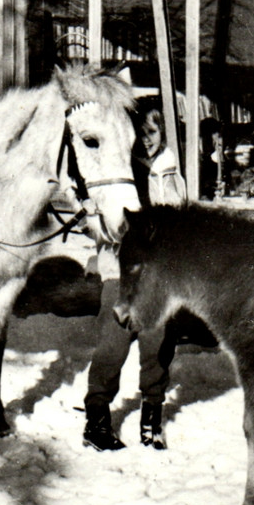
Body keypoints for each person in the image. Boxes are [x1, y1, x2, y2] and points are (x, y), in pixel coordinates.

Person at [83, 104, 185, 453]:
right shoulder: (119, 169)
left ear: (164, 135)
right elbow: (97, 218)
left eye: (152, 133)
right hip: (119, 274)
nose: (146, 140)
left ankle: (151, 420)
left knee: (155, 349)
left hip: (158, 279)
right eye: (140, 134)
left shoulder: (172, 175)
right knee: (112, 346)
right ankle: (96, 421)